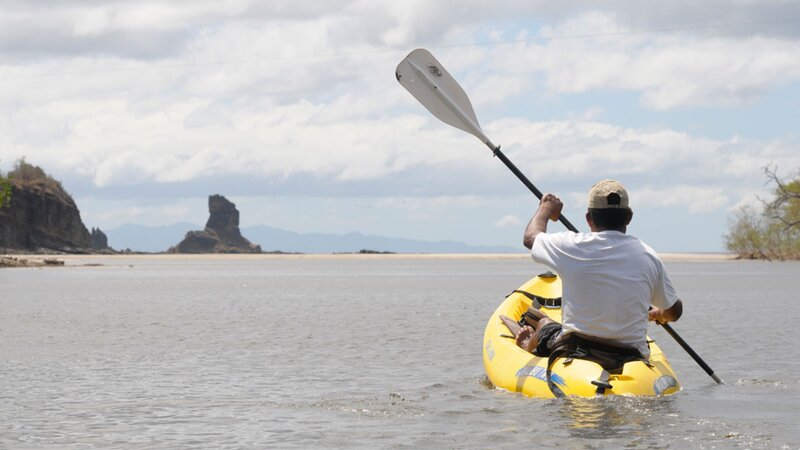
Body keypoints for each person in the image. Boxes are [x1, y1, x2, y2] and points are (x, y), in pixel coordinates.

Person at [507, 179, 683, 359]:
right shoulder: (649, 256)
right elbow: (674, 312)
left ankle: (529, 343)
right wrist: (659, 314)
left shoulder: (571, 246)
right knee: (547, 323)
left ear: (589, 219)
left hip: (577, 351)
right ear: (629, 217)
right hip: (631, 354)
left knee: (545, 324)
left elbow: (530, 238)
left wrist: (546, 208)